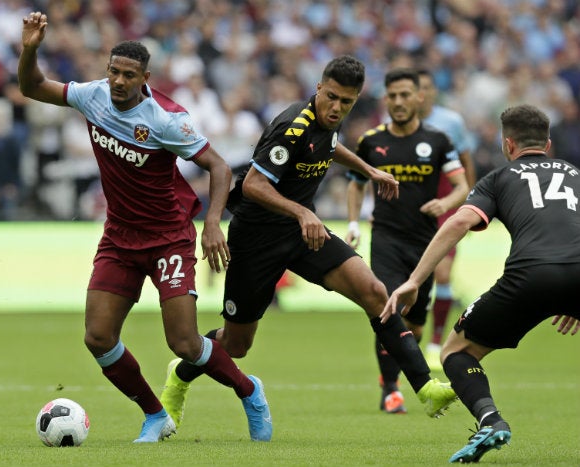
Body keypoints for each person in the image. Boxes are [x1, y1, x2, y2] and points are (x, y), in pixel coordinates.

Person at [161, 55, 459, 432]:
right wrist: (302, 212)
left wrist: (366, 169)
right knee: (236, 345)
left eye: (346, 102)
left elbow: (330, 147)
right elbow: (253, 184)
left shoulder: (327, 121)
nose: (336, 108)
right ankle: (181, 374)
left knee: (373, 291)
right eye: (331, 97)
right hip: (257, 240)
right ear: (318, 87)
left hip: (303, 235)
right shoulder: (293, 125)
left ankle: (425, 388)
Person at [18, 11, 272, 443]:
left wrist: (213, 224)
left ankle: (250, 392)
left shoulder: (167, 119)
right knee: (98, 337)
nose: (118, 81)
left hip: (169, 237)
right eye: (113, 72)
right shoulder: (91, 95)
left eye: (128, 75)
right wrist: (30, 48)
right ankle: (155, 415)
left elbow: (219, 168)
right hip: (119, 237)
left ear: (145, 78)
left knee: (186, 344)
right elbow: (30, 87)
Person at [382, 104, 580, 463]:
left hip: (530, 275)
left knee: (456, 352)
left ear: (508, 145)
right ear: (548, 144)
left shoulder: (499, 178)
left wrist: (414, 280)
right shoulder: (575, 174)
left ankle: (490, 420)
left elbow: (458, 224)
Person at [345, 68, 469, 414]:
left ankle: (402, 375)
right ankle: (390, 389)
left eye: (404, 95)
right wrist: (354, 221)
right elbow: (355, 182)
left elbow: (461, 186)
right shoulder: (370, 141)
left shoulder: (439, 141)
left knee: (413, 324)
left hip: (425, 243)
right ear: (386, 99)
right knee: (387, 310)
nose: (398, 102)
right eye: (392, 96)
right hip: (385, 237)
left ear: (419, 97)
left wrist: (444, 204)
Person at [417, 68, 477, 371]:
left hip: (447, 198)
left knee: (442, 273)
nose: (423, 93)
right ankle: (409, 339)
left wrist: (473, 203)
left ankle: (436, 340)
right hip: (413, 202)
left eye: (428, 87)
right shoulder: (399, 122)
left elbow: (466, 161)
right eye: (419, 87)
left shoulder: (450, 121)